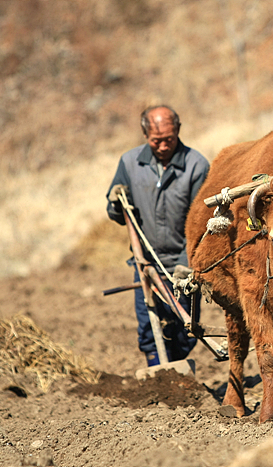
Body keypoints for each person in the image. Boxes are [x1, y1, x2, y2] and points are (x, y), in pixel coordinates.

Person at [106, 105, 209, 367]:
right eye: (156, 141)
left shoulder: (196, 166)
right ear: (144, 135)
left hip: (181, 264)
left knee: (186, 330)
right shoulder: (130, 163)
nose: (163, 146)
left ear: (178, 131)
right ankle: (159, 372)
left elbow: (202, 222)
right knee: (148, 328)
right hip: (145, 263)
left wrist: (188, 262)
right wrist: (116, 202)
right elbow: (115, 213)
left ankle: (173, 367)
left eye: (169, 140)